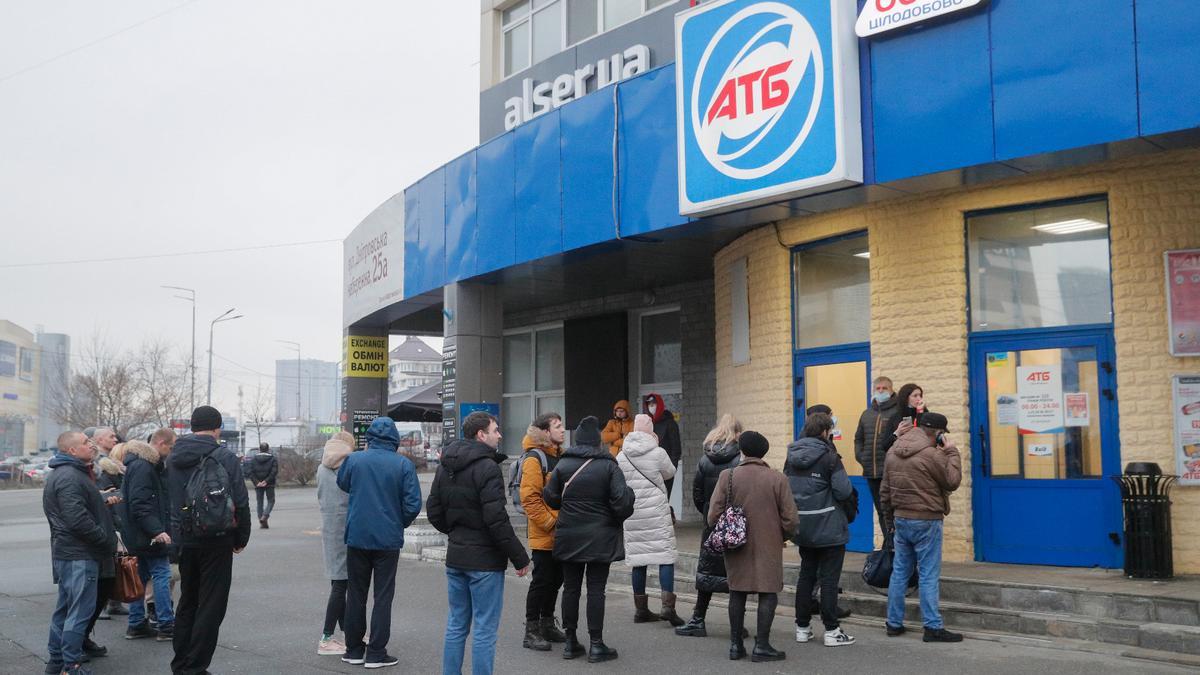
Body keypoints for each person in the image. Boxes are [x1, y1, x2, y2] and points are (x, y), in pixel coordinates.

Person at [427, 412, 531, 675]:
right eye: (495, 430)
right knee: (484, 628)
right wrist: (520, 557)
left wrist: (456, 533)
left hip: (457, 556)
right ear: (481, 435)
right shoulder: (488, 468)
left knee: (457, 624)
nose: (500, 435)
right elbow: (496, 519)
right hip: (484, 563)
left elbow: (434, 511)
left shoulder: (445, 466)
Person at [166, 406, 252, 675]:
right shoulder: (224, 456)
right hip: (217, 537)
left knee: (187, 600)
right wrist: (241, 537)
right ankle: (196, 666)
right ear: (216, 428)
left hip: (184, 537)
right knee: (211, 604)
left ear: (192, 426)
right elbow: (240, 500)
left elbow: (170, 498)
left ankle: (180, 663)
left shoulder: (173, 457)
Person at [543, 416, 635, 663]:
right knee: (596, 589)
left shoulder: (563, 466)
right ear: (597, 442)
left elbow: (550, 499)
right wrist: (630, 495)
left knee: (571, 588)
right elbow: (622, 505)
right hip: (600, 537)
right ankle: (596, 644)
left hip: (569, 535)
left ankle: (571, 642)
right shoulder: (609, 466)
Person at [336, 417, 423, 669]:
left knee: (356, 594)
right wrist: (399, 522)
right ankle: (376, 653)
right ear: (394, 439)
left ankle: (353, 649)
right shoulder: (403, 465)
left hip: (357, 536)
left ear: (370, 438)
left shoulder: (354, 460)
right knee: (383, 596)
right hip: (387, 539)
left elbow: (343, 483)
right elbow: (412, 504)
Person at [707, 431, 796, 663]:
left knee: (737, 592)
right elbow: (791, 519)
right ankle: (762, 646)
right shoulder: (777, 478)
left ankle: (736, 645)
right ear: (763, 452)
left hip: (736, 545)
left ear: (742, 451)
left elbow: (712, 515)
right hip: (769, 544)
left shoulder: (728, 476)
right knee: (768, 592)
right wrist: (780, 535)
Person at [880, 411, 963, 643]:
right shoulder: (931, 455)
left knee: (900, 573)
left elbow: (884, 492)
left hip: (901, 519)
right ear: (937, 433)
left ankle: (893, 623)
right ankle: (932, 627)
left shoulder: (892, 451)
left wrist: (890, 524)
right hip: (927, 519)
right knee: (928, 574)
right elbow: (952, 481)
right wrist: (952, 452)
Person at [43, 430, 117, 675]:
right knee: (78, 612)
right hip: (79, 554)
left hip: (74, 553)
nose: (91, 444)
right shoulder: (69, 477)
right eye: (86, 442)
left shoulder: (72, 474)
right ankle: (69, 666)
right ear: (72, 450)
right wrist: (104, 539)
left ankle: (57, 663)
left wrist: (101, 501)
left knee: (66, 610)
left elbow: (78, 510)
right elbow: (77, 519)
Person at [786, 413, 855, 647]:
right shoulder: (830, 457)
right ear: (826, 432)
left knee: (806, 576)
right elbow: (844, 491)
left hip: (803, 526)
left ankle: (802, 628)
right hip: (829, 526)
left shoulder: (791, 456)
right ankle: (832, 630)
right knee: (828, 579)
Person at [676, 414, 743, 638]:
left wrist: (707, 512)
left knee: (706, 571)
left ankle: (698, 619)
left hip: (711, 521)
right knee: (735, 573)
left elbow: (696, 492)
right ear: (737, 432)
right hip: (734, 523)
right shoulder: (740, 459)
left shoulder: (706, 459)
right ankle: (737, 625)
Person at [617, 414, 682, 626]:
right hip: (656, 510)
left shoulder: (622, 455)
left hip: (633, 512)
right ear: (650, 430)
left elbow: (618, 481)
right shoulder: (658, 452)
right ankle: (667, 607)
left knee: (639, 560)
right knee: (665, 557)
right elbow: (670, 472)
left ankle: (641, 610)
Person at [517, 413, 567, 651]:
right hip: (545, 533)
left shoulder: (559, 457)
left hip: (561, 533)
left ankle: (547, 623)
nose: (563, 430)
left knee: (556, 580)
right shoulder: (534, 459)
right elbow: (529, 499)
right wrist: (550, 523)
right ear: (545, 432)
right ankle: (531, 630)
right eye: (557, 426)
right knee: (541, 581)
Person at [120, 438, 176, 642]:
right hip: (148, 534)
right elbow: (141, 503)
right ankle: (166, 624)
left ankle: (136, 624)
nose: (171, 451)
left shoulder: (136, 464)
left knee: (140, 578)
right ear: (160, 443)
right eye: (171, 446)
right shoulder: (144, 467)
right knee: (161, 574)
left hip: (137, 533)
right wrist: (156, 530)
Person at [317, 431, 355, 656]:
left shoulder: (321, 466)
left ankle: (349, 633)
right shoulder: (350, 465)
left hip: (329, 527)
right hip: (347, 527)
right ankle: (326, 637)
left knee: (338, 582)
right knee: (341, 585)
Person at [88, 427, 126, 621]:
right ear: (99, 439)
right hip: (105, 516)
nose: (115, 438)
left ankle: (113, 601)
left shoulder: (112, 461)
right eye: (110, 436)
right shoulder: (99, 463)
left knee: (117, 560)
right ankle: (101, 604)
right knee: (106, 562)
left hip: (114, 513)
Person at [855, 376, 899, 535]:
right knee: (881, 512)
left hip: (891, 472)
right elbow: (858, 439)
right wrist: (861, 457)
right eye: (877, 388)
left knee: (894, 512)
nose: (880, 391)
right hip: (871, 472)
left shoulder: (898, 412)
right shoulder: (867, 414)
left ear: (891, 390)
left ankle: (899, 549)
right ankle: (889, 548)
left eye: (884, 388)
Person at [641, 394, 681, 496]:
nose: (651, 407)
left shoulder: (670, 423)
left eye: (654, 404)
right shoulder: (647, 423)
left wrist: (672, 468)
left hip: (665, 470)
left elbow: (676, 449)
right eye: (649, 404)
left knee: (663, 499)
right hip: (649, 469)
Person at [880, 383, 925, 455]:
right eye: (915, 396)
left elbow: (923, 436)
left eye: (920, 395)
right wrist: (897, 433)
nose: (919, 399)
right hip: (900, 460)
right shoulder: (895, 417)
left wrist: (920, 412)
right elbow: (885, 446)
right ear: (906, 398)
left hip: (919, 458)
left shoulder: (925, 414)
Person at [246, 442, 278, 529]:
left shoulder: (253, 459)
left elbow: (250, 472)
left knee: (260, 502)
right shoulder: (273, 459)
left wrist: (257, 482)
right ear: (268, 449)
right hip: (269, 483)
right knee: (271, 501)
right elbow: (274, 471)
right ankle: (265, 516)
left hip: (258, 484)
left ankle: (261, 520)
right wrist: (266, 481)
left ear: (259, 449)